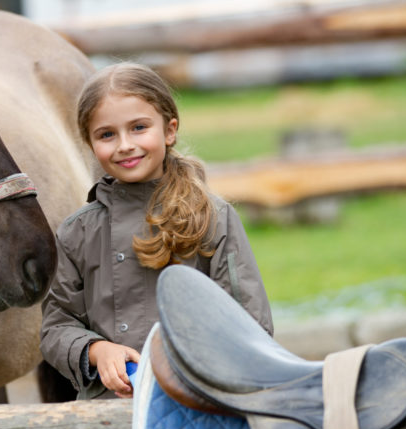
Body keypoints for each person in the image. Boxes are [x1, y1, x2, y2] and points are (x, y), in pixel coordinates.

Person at [40, 62, 273, 400]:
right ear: (90, 144)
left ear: (169, 130)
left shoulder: (213, 217)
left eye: (138, 128)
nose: (124, 145)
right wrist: (96, 350)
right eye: (107, 134)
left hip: (200, 401)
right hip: (105, 409)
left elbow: (251, 320)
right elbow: (56, 327)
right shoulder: (77, 231)